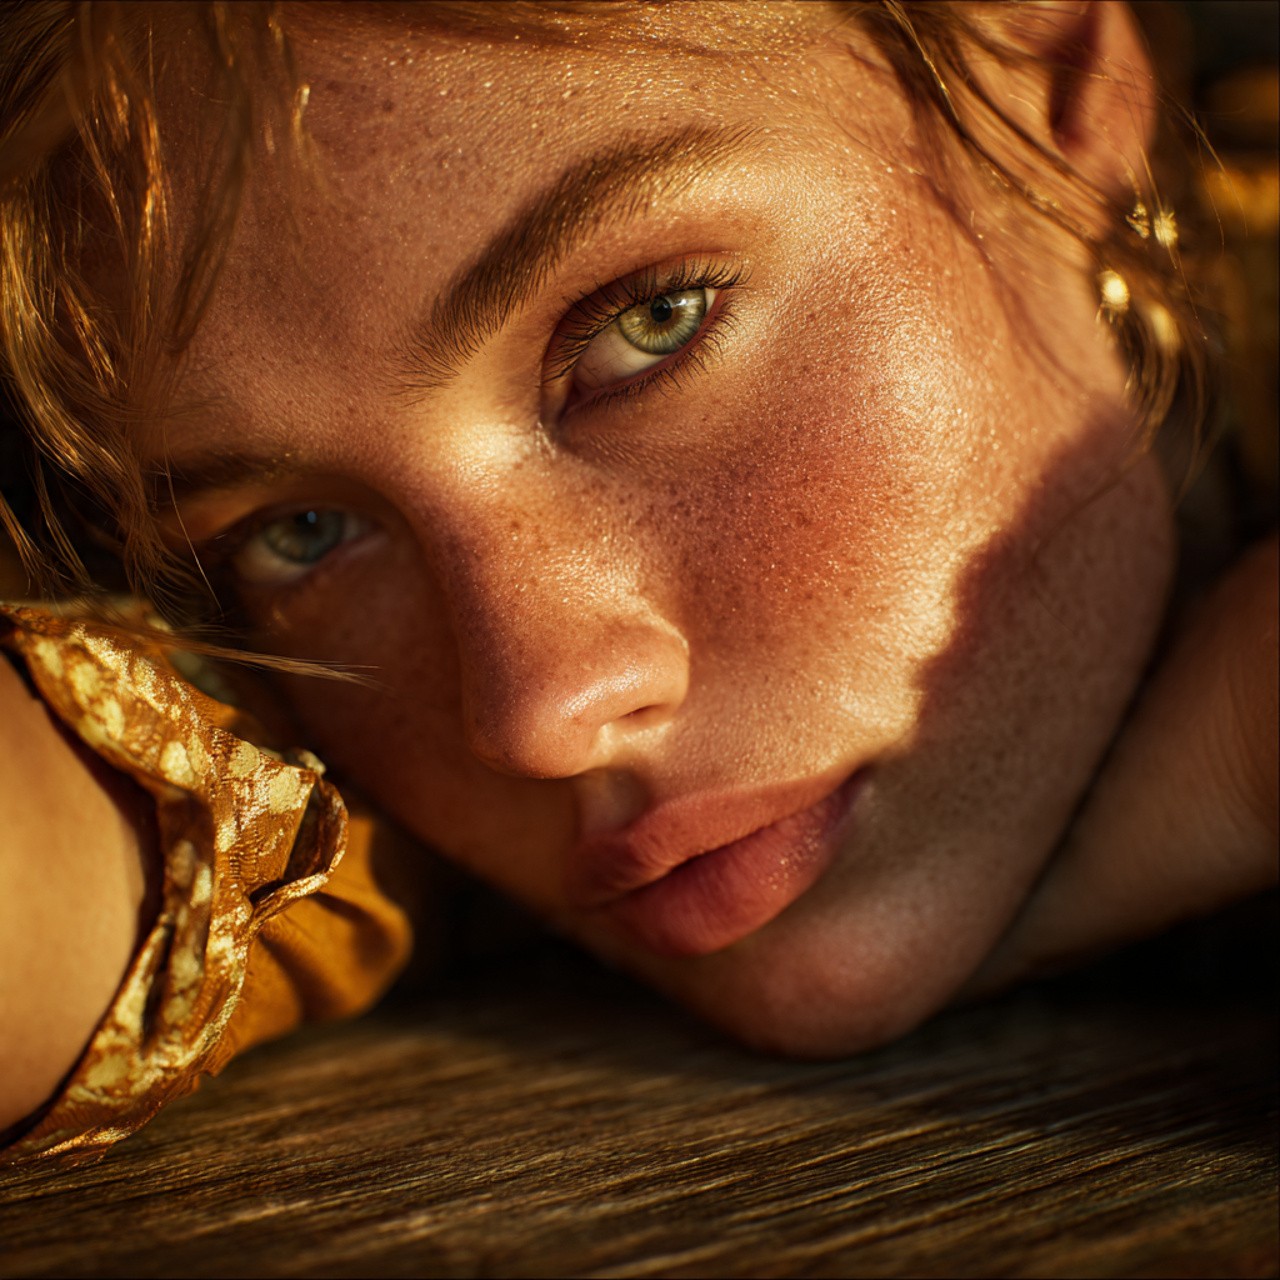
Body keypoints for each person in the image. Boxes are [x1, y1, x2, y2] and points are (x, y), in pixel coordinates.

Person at [1, 0, 1275, 1162]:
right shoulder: (326, 731)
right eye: (304, 529)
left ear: (1042, 68)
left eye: (649, 323)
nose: (536, 717)